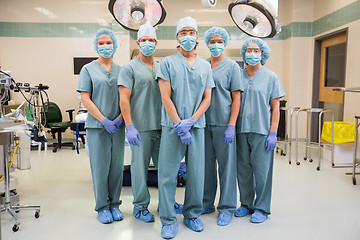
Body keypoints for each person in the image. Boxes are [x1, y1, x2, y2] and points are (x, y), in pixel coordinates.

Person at [118, 23, 184, 223]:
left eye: (151, 40)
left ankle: (167, 203)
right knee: (140, 169)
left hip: (163, 127)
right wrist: (129, 125)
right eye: (143, 40)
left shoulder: (160, 66)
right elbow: (123, 99)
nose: (147, 43)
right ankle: (140, 206)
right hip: (141, 127)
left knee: (167, 168)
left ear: (156, 43)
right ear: (138, 43)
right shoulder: (129, 68)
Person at [157, 17, 214, 239]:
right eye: (183, 33)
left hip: (197, 126)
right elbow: (165, 97)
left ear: (197, 37)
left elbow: (207, 98)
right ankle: (169, 219)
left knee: (197, 173)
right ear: (177, 37)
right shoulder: (167, 63)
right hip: (172, 126)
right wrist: (179, 123)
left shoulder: (205, 65)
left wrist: (191, 120)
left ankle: (192, 214)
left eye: (191, 32)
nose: (188, 36)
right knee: (168, 173)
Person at [77, 28, 125, 224]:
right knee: (100, 168)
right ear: (96, 46)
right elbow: (85, 98)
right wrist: (103, 119)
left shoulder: (122, 70)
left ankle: (115, 204)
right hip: (97, 127)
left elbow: (126, 98)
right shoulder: (88, 69)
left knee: (116, 168)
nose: (105, 46)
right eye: (101, 44)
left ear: (115, 45)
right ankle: (102, 207)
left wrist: (120, 118)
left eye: (108, 43)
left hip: (118, 126)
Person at [235, 37, 285, 223]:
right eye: (249, 50)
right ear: (244, 54)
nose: (252, 54)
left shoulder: (270, 77)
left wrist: (273, 132)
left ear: (262, 54)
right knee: (243, 169)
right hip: (240, 130)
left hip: (262, 131)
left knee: (262, 171)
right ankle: (246, 204)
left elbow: (275, 108)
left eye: (256, 51)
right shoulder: (237, 74)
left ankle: (262, 208)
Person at [201, 27, 242, 226]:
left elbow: (236, 98)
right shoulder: (202, 65)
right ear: (207, 43)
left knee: (226, 167)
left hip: (224, 123)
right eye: (212, 41)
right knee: (206, 166)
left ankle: (226, 207)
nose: (216, 45)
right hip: (203, 123)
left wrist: (231, 125)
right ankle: (206, 202)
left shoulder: (232, 67)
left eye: (219, 41)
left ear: (225, 43)